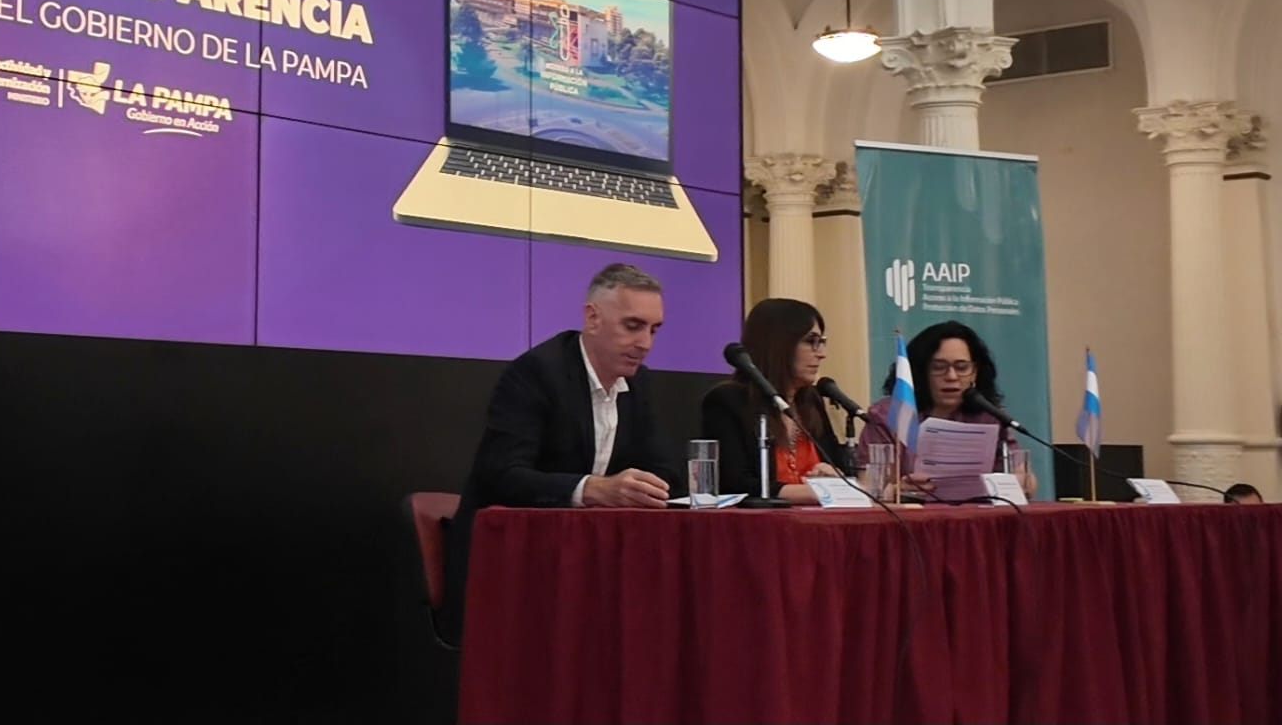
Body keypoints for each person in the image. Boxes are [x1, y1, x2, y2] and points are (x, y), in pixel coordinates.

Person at [437, 262, 680, 643]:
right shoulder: (536, 373)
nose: (645, 344)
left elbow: (664, 468)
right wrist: (593, 489)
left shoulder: (638, 383)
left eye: (653, 330)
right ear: (593, 318)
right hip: (511, 561)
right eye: (633, 326)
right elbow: (502, 475)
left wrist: (652, 488)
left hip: (583, 559)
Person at [858, 319, 1037, 496]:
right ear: (921, 372)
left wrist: (1021, 481)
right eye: (938, 367)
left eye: (962, 367)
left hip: (974, 511)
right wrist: (898, 491)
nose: (951, 376)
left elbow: (1024, 480)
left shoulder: (989, 416)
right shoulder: (888, 416)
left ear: (974, 373)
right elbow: (870, 487)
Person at [699, 298, 844, 503]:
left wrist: (832, 475)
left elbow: (841, 470)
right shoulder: (729, 400)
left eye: (821, 342)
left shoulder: (812, 401)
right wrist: (815, 492)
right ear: (779, 344)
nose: (821, 354)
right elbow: (734, 483)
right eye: (811, 341)